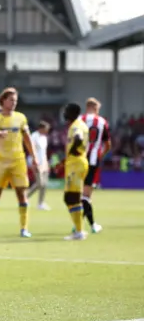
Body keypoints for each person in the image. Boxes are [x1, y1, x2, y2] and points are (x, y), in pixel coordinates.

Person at [0, 88, 38, 238]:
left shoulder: (21, 118)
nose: (13, 103)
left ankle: (24, 228)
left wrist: (34, 157)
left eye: (15, 100)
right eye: (11, 100)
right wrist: (0, 133)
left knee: (22, 194)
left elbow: (27, 138)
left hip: (18, 161)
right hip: (0, 161)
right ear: (3, 101)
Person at [79, 98, 110, 233]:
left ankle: (78, 224)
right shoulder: (102, 122)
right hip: (92, 161)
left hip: (78, 160)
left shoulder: (79, 120)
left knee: (82, 194)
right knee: (86, 195)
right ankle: (92, 226)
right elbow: (108, 145)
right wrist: (100, 156)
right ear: (95, 107)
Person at [62, 103, 89, 240]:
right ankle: (78, 230)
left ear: (72, 113)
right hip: (75, 163)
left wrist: (73, 150)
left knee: (72, 198)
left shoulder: (76, 125)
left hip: (76, 163)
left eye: (66, 111)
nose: (65, 114)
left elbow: (78, 138)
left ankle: (79, 232)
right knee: (69, 198)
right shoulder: (79, 124)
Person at [27, 121, 51, 210]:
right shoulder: (34, 136)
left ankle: (40, 203)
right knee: (40, 183)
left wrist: (46, 163)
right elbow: (31, 149)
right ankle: (25, 197)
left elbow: (43, 152)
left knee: (44, 184)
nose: (47, 131)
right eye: (46, 129)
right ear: (41, 128)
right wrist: (34, 162)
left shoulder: (44, 138)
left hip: (43, 162)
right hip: (36, 162)